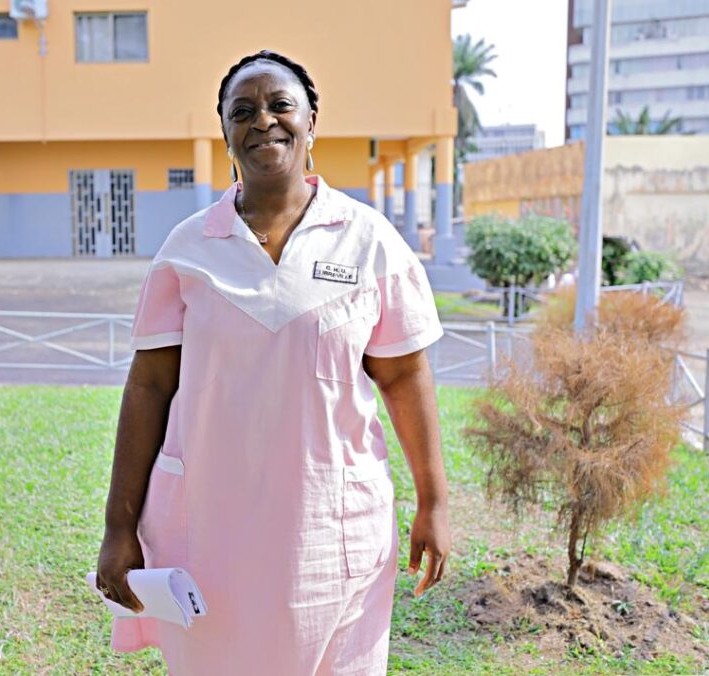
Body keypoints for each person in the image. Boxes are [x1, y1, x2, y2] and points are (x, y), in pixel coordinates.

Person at [95, 50, 451, 675]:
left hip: (330, 530)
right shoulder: (187, 250)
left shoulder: (369, 241)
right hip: (210, 533)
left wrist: (434, 503)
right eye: (243, 111)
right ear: (226, 133)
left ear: (312, 122)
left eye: (281, 105)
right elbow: (149, 387)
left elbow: (403, 375)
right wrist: (118, 528)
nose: (263, 120)